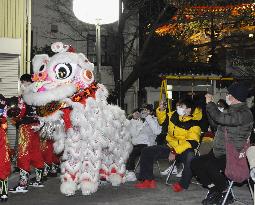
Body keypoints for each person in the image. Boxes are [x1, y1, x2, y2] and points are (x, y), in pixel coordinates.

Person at [191, 82, 254, 205]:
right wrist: (211, 111)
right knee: (195, 163)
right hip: (219, 150)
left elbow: (221, 119)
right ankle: (215, 189)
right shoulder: (230, 110)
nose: (227, 96)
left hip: (233, 152)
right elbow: (216, 124)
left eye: (228, 94)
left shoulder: (245, 113)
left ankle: (225, 191)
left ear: (234, 96)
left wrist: (210, 104)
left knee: (210, 166)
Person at [134, 97, 202, 192]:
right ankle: (148, 180)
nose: (178, 108)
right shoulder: (174, 115)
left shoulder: (195, 123)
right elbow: (163, 121)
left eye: (181, 106)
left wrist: (175, 151)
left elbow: (192, 142)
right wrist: (161, 109)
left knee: (191, 157)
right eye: (178, 105)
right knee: (147, 151)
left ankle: (183, 184)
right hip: (170, 146)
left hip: (183, 150)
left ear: (189, 109)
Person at [8, 74, 45, 193]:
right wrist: (40, 124)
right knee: (36, 152)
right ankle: (39, 180)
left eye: (24, 83)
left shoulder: (24, 97)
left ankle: (23, 185)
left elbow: (19, 113)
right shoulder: (39, 96)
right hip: (36, 127)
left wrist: (12, 113)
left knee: (23, 154)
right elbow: (43, 113)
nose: (23, 86)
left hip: (25, 128)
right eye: (22, 83)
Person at [125, 105, 162, 182]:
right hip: (137, 144)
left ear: (151, 112)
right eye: (143, 110)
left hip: (148, 144)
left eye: (147, 110)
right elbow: (134, 135)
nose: (144, 112)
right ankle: (129, 172)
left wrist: (148, 117)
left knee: (134, 151)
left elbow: (157, 132)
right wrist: (134, 120)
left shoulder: (154, 120)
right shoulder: (140, 121)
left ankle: (131, 172)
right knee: (127, 149)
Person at [0, 94, 11, 202]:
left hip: (1, 137)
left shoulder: (2, 99)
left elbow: (4, 123)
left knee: (2, 164)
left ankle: (3, 192)